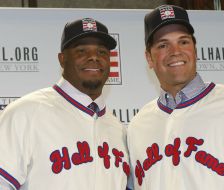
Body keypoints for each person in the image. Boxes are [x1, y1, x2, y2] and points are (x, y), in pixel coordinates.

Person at [127, 4, 224, 190]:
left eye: (183, 42)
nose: (175, 51)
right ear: (149, 58)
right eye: (163, 45)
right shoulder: (138, 124)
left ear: (195, 50)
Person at [0, 17, 131, 190]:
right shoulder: (25, 113)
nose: (93, 57)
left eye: (102, 52)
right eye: (81, 51)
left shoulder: (118, 129)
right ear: (62, 59)